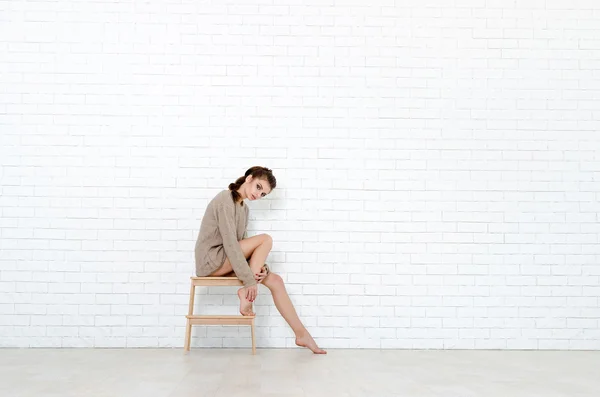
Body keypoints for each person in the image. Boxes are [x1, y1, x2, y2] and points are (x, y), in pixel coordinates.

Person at [195, 166, 326, 354]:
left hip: (226, 260)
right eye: (258, 187)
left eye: (263, 193)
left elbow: (244, 246)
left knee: (275, 280)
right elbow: (231, 244)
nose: (259, 194)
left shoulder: (243, 209)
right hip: (211, 260)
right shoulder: (225, 198)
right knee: (266, 239)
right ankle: (246, 293)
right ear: (248, 178)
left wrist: (262, 267)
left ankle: (302, 334)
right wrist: (250, 281)